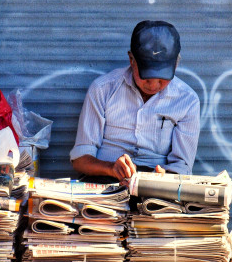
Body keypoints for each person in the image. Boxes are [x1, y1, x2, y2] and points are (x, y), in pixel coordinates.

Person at [70, 19, 200, 182]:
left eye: (162, 77)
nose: (153, 85)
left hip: (157, 186)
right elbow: (80, 160)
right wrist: (111, 168)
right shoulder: (103, 89)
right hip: (105, 178)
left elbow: (182, 167)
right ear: (131, 60)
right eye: (146, 76)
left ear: (176, 65)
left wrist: (166, 178)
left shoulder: (187, 101)